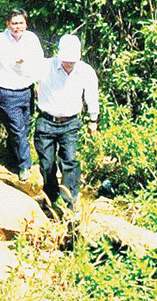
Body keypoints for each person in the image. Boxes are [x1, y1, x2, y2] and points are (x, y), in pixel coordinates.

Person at [0, 9, 44, 182]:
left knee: (23, 129)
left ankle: (11, 161)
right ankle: (25, 167)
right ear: (8, 24)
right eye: (14, 23)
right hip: (6, 93)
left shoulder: (32, 40)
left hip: (26, 91)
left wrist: (39, 84)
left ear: (26, 24)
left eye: (21, 23)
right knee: (18, 130)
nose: (17, 27)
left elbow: (40, 63)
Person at [34, 34, 99, 209]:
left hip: (70, 123)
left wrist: (93, 120)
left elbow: (92, 96)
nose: (68, 64)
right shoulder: (45, 66)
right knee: (47, 164)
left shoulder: (86, 71)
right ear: (58, 54)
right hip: (46, 121)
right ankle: (51, 199)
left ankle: (70, 202)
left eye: (72, 60)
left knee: (70, 161)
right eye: (65, 60)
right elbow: (24, 74)